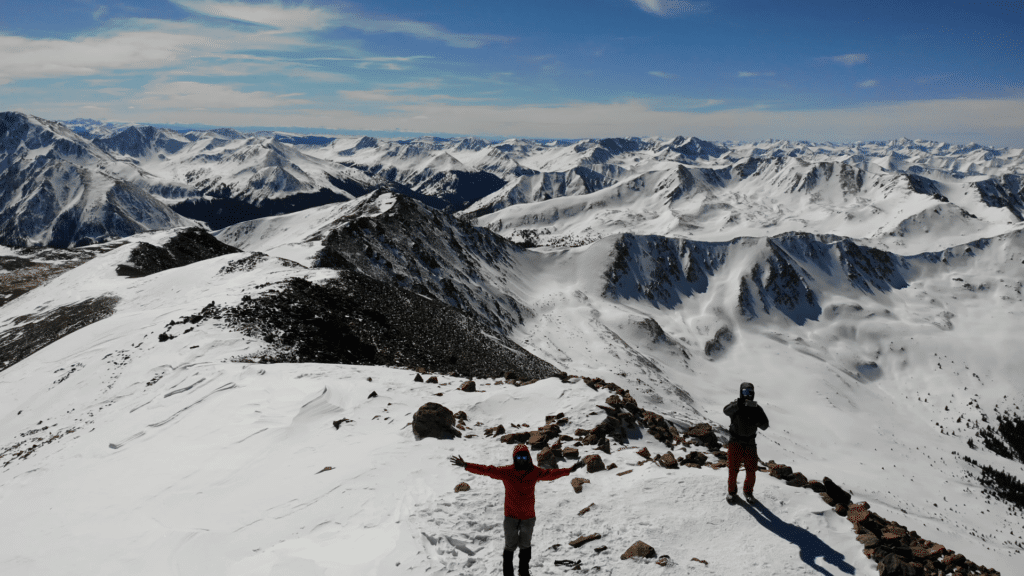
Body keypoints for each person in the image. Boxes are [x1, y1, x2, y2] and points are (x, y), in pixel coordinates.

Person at [450, 444, 584, 576]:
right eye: (519, 457)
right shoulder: (507, 471)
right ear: (514, 458)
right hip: (511, 517)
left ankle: (523, 572)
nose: (521, 460)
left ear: (528, 458)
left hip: (528, 517)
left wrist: (570, 470)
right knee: (510, 547)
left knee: (525, 547)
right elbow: (487, 470)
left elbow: (551, 474)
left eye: (524, 457)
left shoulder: (534, 471)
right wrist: (466, 465)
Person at [723, 382, 769, 504]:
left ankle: (748, 492)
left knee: (751, 469)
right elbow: (725, 411)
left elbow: (765, 425)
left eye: (750, 392)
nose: (747, 395)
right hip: (735, 442)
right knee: (733, 469)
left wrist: (756, 419)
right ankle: (731, 492)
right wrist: (737, 405)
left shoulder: (757, 409)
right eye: (744, 392)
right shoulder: (736, 406)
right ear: (741, 392)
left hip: (750, 443)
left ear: (753, 393)